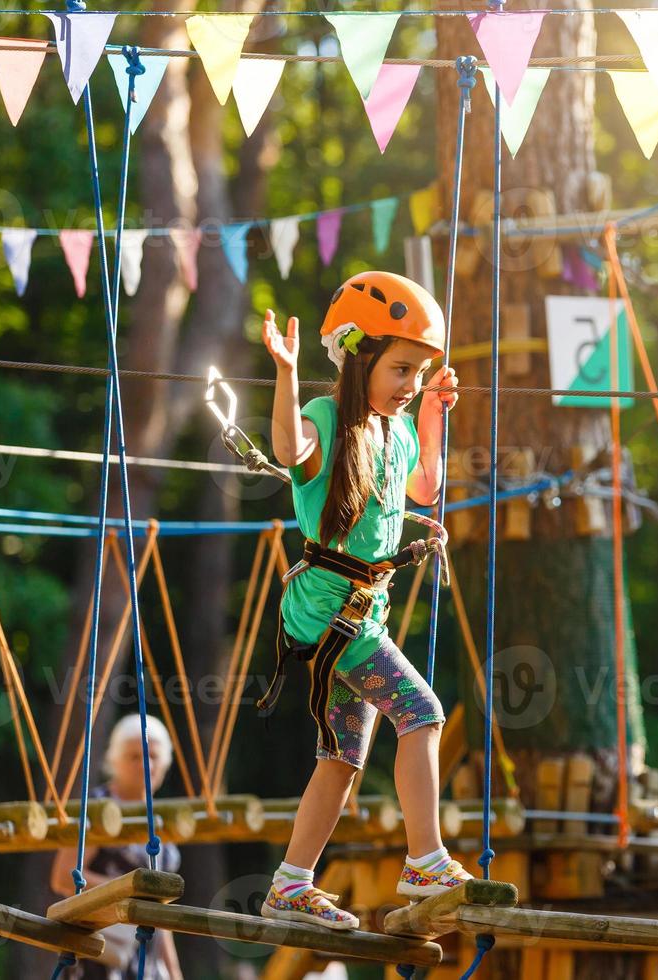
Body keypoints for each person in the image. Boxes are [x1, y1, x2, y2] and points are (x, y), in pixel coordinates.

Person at [260, 271, 465, 930]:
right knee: (422, 713)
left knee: (343, 760)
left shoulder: (398, 430)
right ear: (358, 357)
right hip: (328, 615)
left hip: (361, 616)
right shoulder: (325, 418)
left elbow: (426, 488)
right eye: (401, 368)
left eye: (419, 371)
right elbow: (289, 449)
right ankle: (425, 859)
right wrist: (286, 375)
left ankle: (291, 883)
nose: (409, 383)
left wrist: (431, 412)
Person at [50, 715, 183, 980]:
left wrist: (174, 971)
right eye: (135, 756)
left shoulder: (160, 817)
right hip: (100, 951)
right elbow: (64, 877)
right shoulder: (100, 809)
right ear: (116, 762)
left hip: (146, 957)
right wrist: (129, 890)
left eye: (154, 756)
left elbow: (159, 909)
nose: (146, 764)